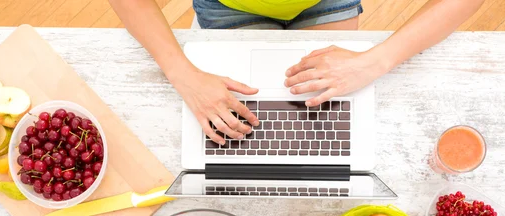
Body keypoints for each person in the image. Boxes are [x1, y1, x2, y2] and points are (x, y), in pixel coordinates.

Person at [108, 0, 484, 144]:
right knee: (244, 135)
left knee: (322, 125)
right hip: (227, 7)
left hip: (324, 3)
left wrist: (375, 61)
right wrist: (181, 73)